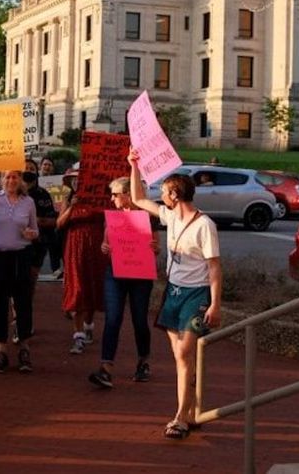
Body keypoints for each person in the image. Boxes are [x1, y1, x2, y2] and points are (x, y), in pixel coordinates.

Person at [128, 149, 222, 440]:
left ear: (174, 194)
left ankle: (181, 416)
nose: (161, 196)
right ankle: (190, 407)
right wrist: (134, 164)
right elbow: (138, 199)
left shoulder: (205, 225)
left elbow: (215, 267)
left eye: (165, 191)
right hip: (174, 291)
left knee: (184, 352)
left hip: (197, 294)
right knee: (181, 357)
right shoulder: (170, 216)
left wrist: (216, 304)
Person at [89, 177, 157, 388]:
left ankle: (143, 360)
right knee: (113, 318)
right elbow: (105, 243)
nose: (112, 198)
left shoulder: (148, 217)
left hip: (140, 274)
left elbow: (156, 247)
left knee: (139, 319)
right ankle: (106, 367)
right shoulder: (113, 218)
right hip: (115, 272)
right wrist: (104, 248)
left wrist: (155, 248)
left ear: (128, 194)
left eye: (116, 194)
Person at [0, 162, 39, 373]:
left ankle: (24, 348)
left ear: (21, 180)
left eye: (15, 177)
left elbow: (35, 230)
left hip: (21, 255)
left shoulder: (28, 202)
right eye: (8, 177)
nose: (12, 180)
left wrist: (31, 234)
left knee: (23, 303)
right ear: (3, 179)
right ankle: (1, 351)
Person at [56, 180, 108, 356]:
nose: (79, 182)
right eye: (75, 180)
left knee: (92, 286)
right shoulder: (69, 199)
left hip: (96, 248)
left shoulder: (102, 199)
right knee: (78, 288)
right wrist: (71, 206)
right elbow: (60, 224)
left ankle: (88, 325)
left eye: (81, 179)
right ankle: (78, 335)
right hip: (75, 248)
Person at [23, 159, 59, 280]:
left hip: (38, 243)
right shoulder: (12, 193)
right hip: (16, 243)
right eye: (25, 168)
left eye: (31, 169)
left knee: (31, 279)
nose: (28, 171)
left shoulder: (43, 194)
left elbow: (53, 221)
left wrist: (35, 220)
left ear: (37, 172)